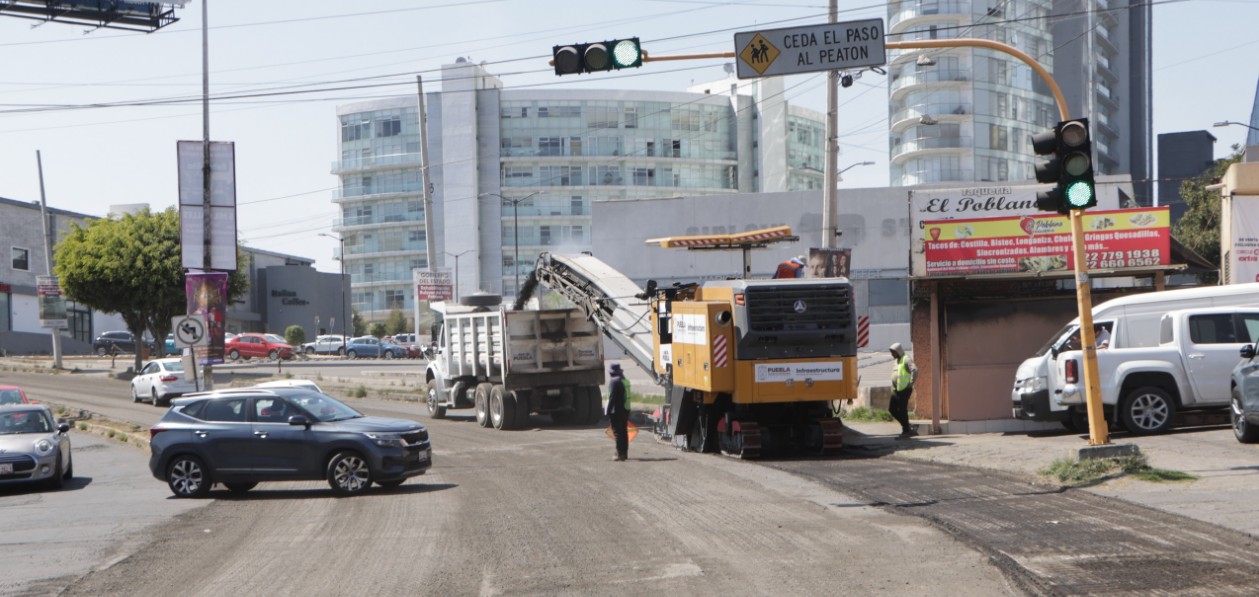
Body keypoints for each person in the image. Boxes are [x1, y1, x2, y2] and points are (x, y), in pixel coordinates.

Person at [889, 342, 919, 440]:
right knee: (892, 409)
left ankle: (906, 431)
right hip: (897, 390)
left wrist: (911, 383)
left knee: (902, 409)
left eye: (893, 352)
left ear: (898, 351)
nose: (892, 354)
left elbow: (915, 370)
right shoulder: (897, 360)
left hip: (905, 389)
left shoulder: (906, 359)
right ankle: (907, 426)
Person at [606, 363, 631, 461]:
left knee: (617, 433)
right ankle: (624, 453)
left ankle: (619, 454)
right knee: (624, 432)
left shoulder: (614, 382)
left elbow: (612, 398)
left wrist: (608, 411)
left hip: (616, 411)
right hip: (625, 409)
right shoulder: (623, 381)